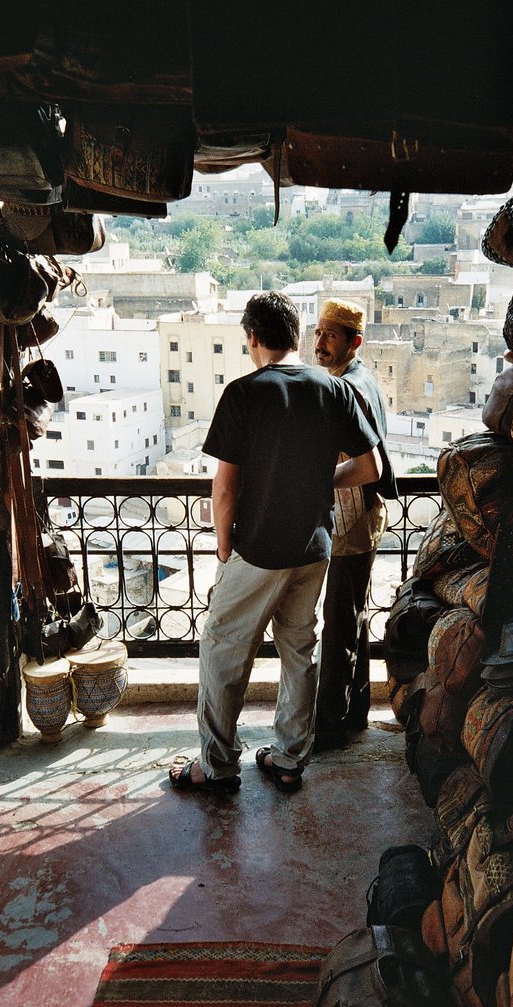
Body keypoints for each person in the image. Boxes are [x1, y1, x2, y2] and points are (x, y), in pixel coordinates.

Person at [169, 291, 381, 795]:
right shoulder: (333, 389)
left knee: (223, 649)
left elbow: (224, 487)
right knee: (299, 650)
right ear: (294, 335)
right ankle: (288, 760)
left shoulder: (244, 393)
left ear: (254, 338)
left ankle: (217, 768)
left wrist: (224, 548)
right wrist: (316, 482)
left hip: (259, 548)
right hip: (314, 547)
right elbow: (371, 466)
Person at [313, 299, 398, 752]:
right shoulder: (355, 379)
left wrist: (319, 483)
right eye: (319, 332)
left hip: (353, 519)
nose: (320, 342)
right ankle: (354, 711)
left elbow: (369, 466)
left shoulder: (349, 387)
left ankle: (329, 725)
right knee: (353, 618)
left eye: (331, 335)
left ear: (354, 342)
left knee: (340, 624)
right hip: (362, 517)